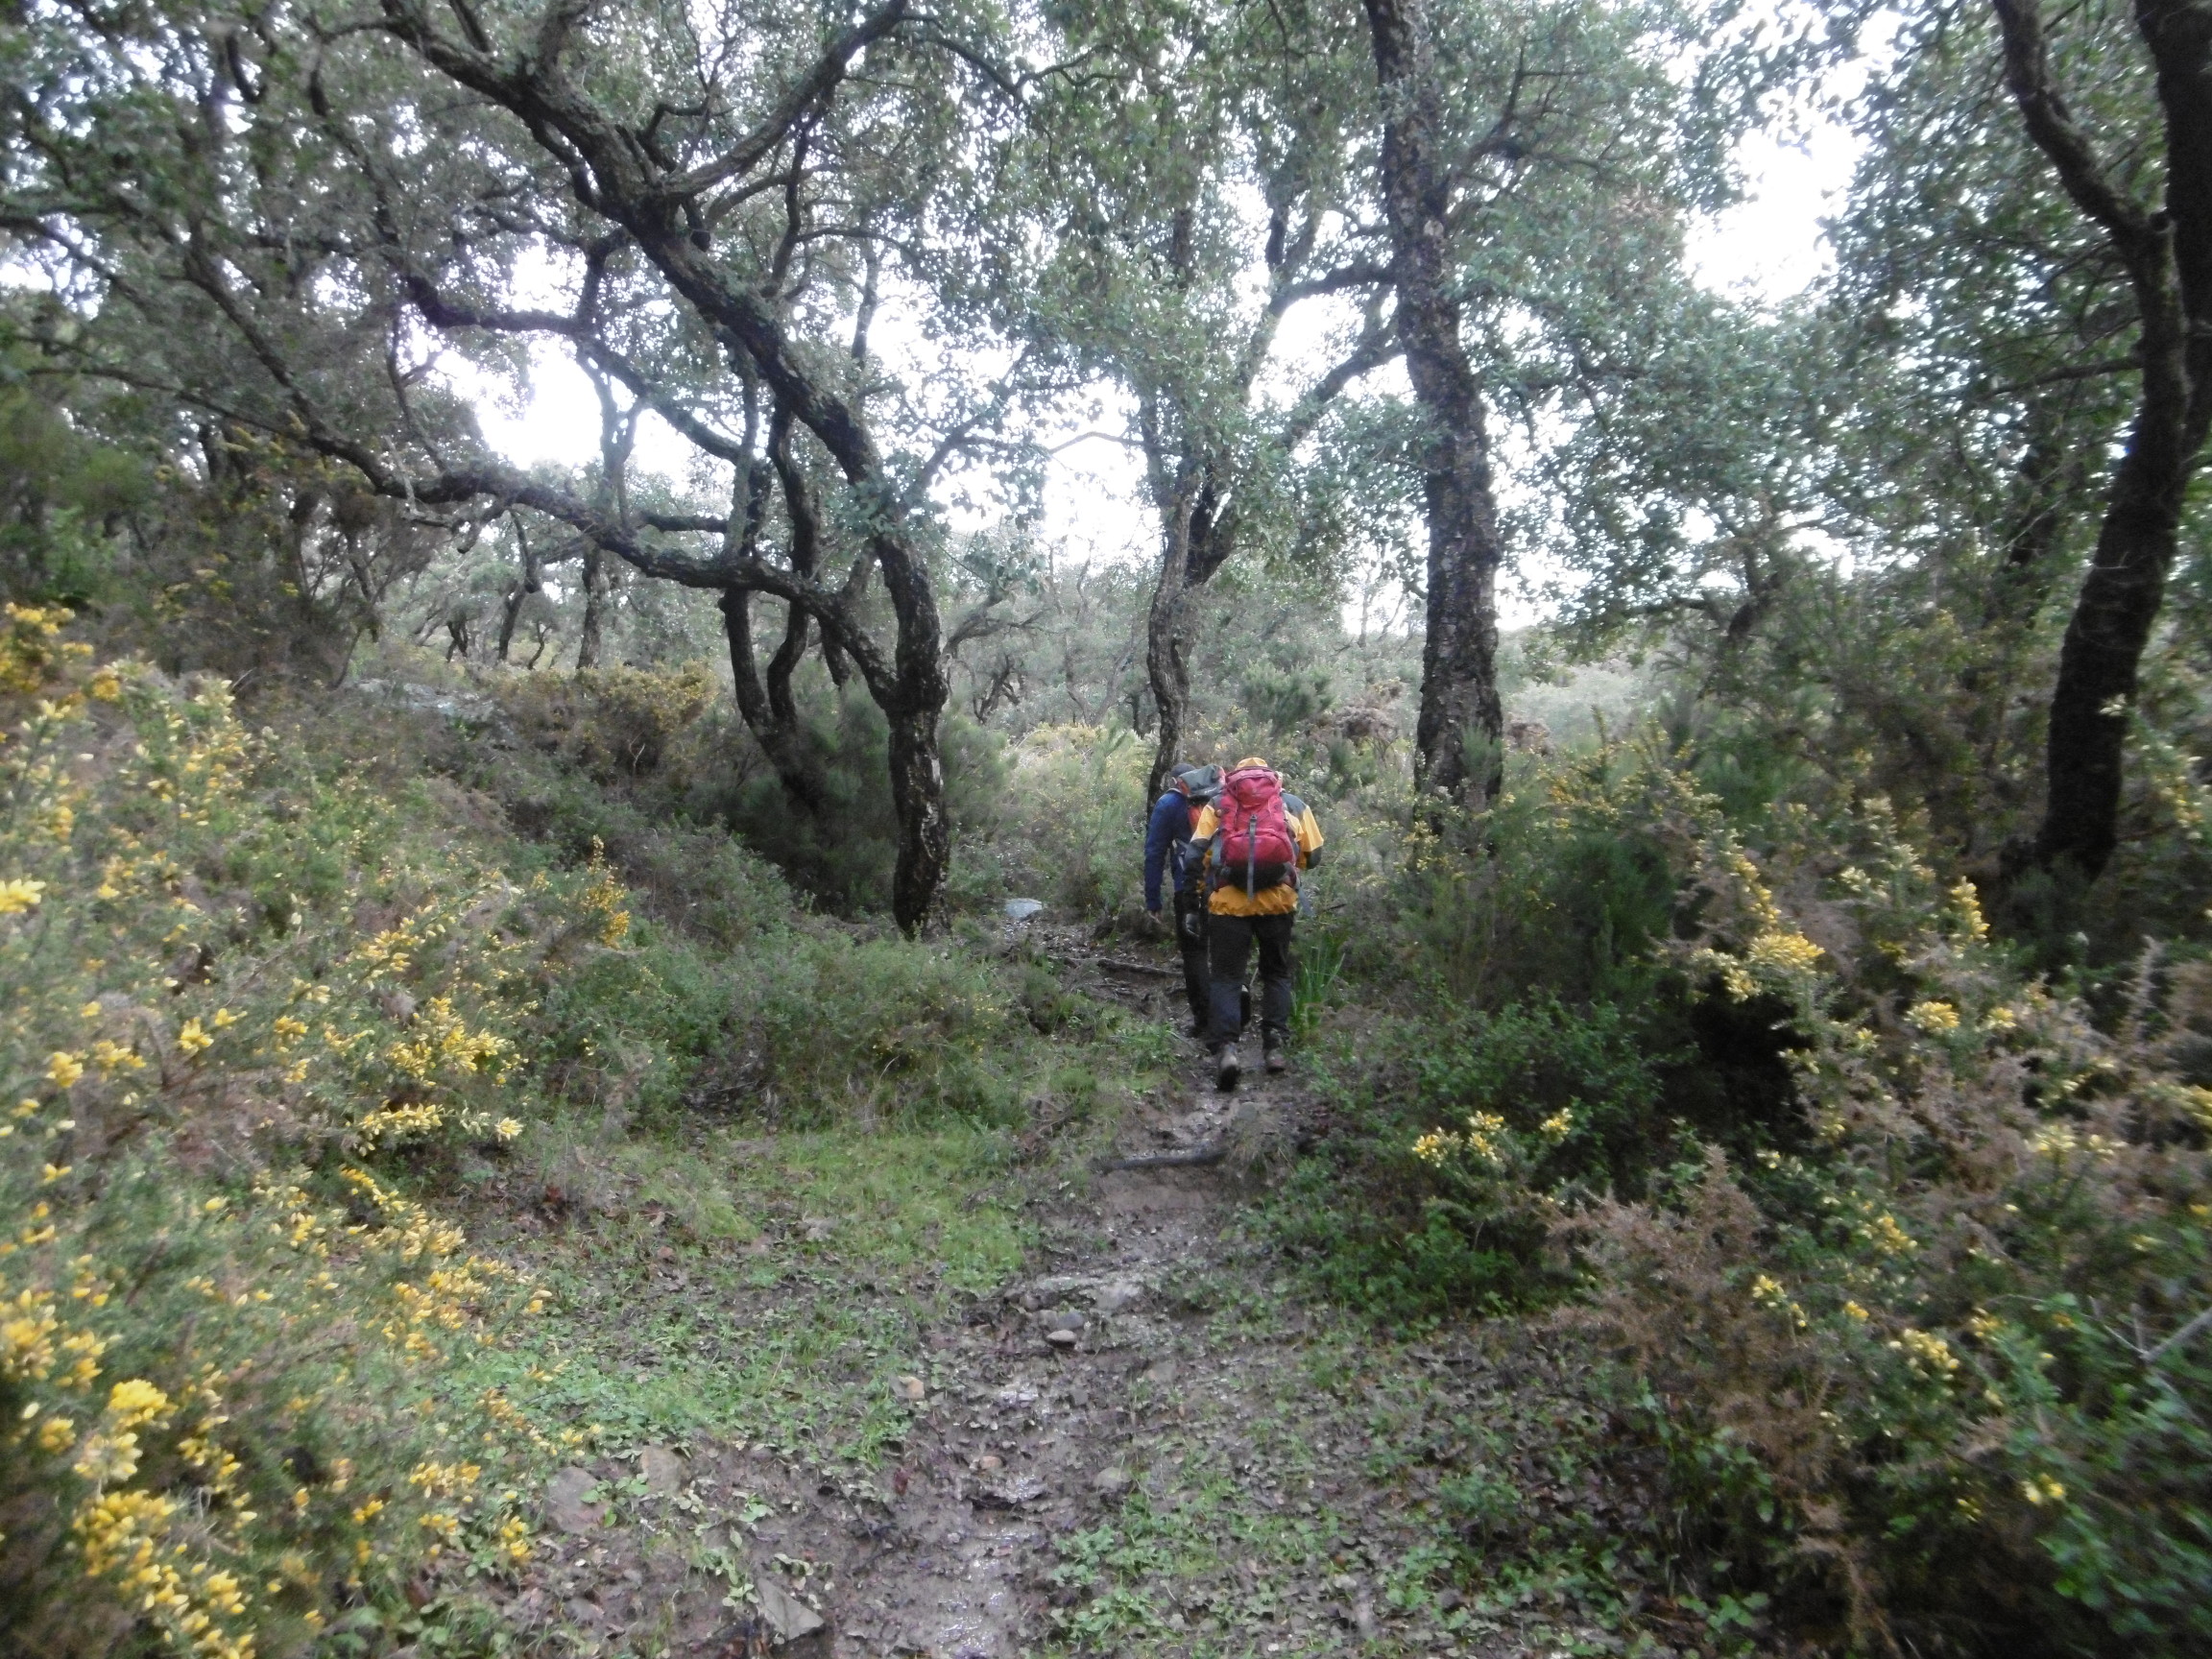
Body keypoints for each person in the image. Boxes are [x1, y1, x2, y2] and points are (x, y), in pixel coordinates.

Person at [1191, 757, 1323, 1089]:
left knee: (1226, 978)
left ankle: (1227, 1050)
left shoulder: (1217, 804)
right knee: (1276, 973)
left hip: (1228, 905)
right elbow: (1314, 856)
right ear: (1271, 778)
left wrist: (1197, 897)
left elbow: (1194, 855)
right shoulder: (1292, 804)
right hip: (1278, 904)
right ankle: (1274, 1046)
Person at [1142, 761, 1222, 1037]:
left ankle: (1204, 1022)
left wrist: (1153, 900)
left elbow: (1154, 853)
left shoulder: (1168, 804)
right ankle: (1231, 1015)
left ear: (1176, 781)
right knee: (1225, 954)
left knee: (1195, 953)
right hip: (1226, 887)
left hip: (1189, 890)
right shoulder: (1219, 798)